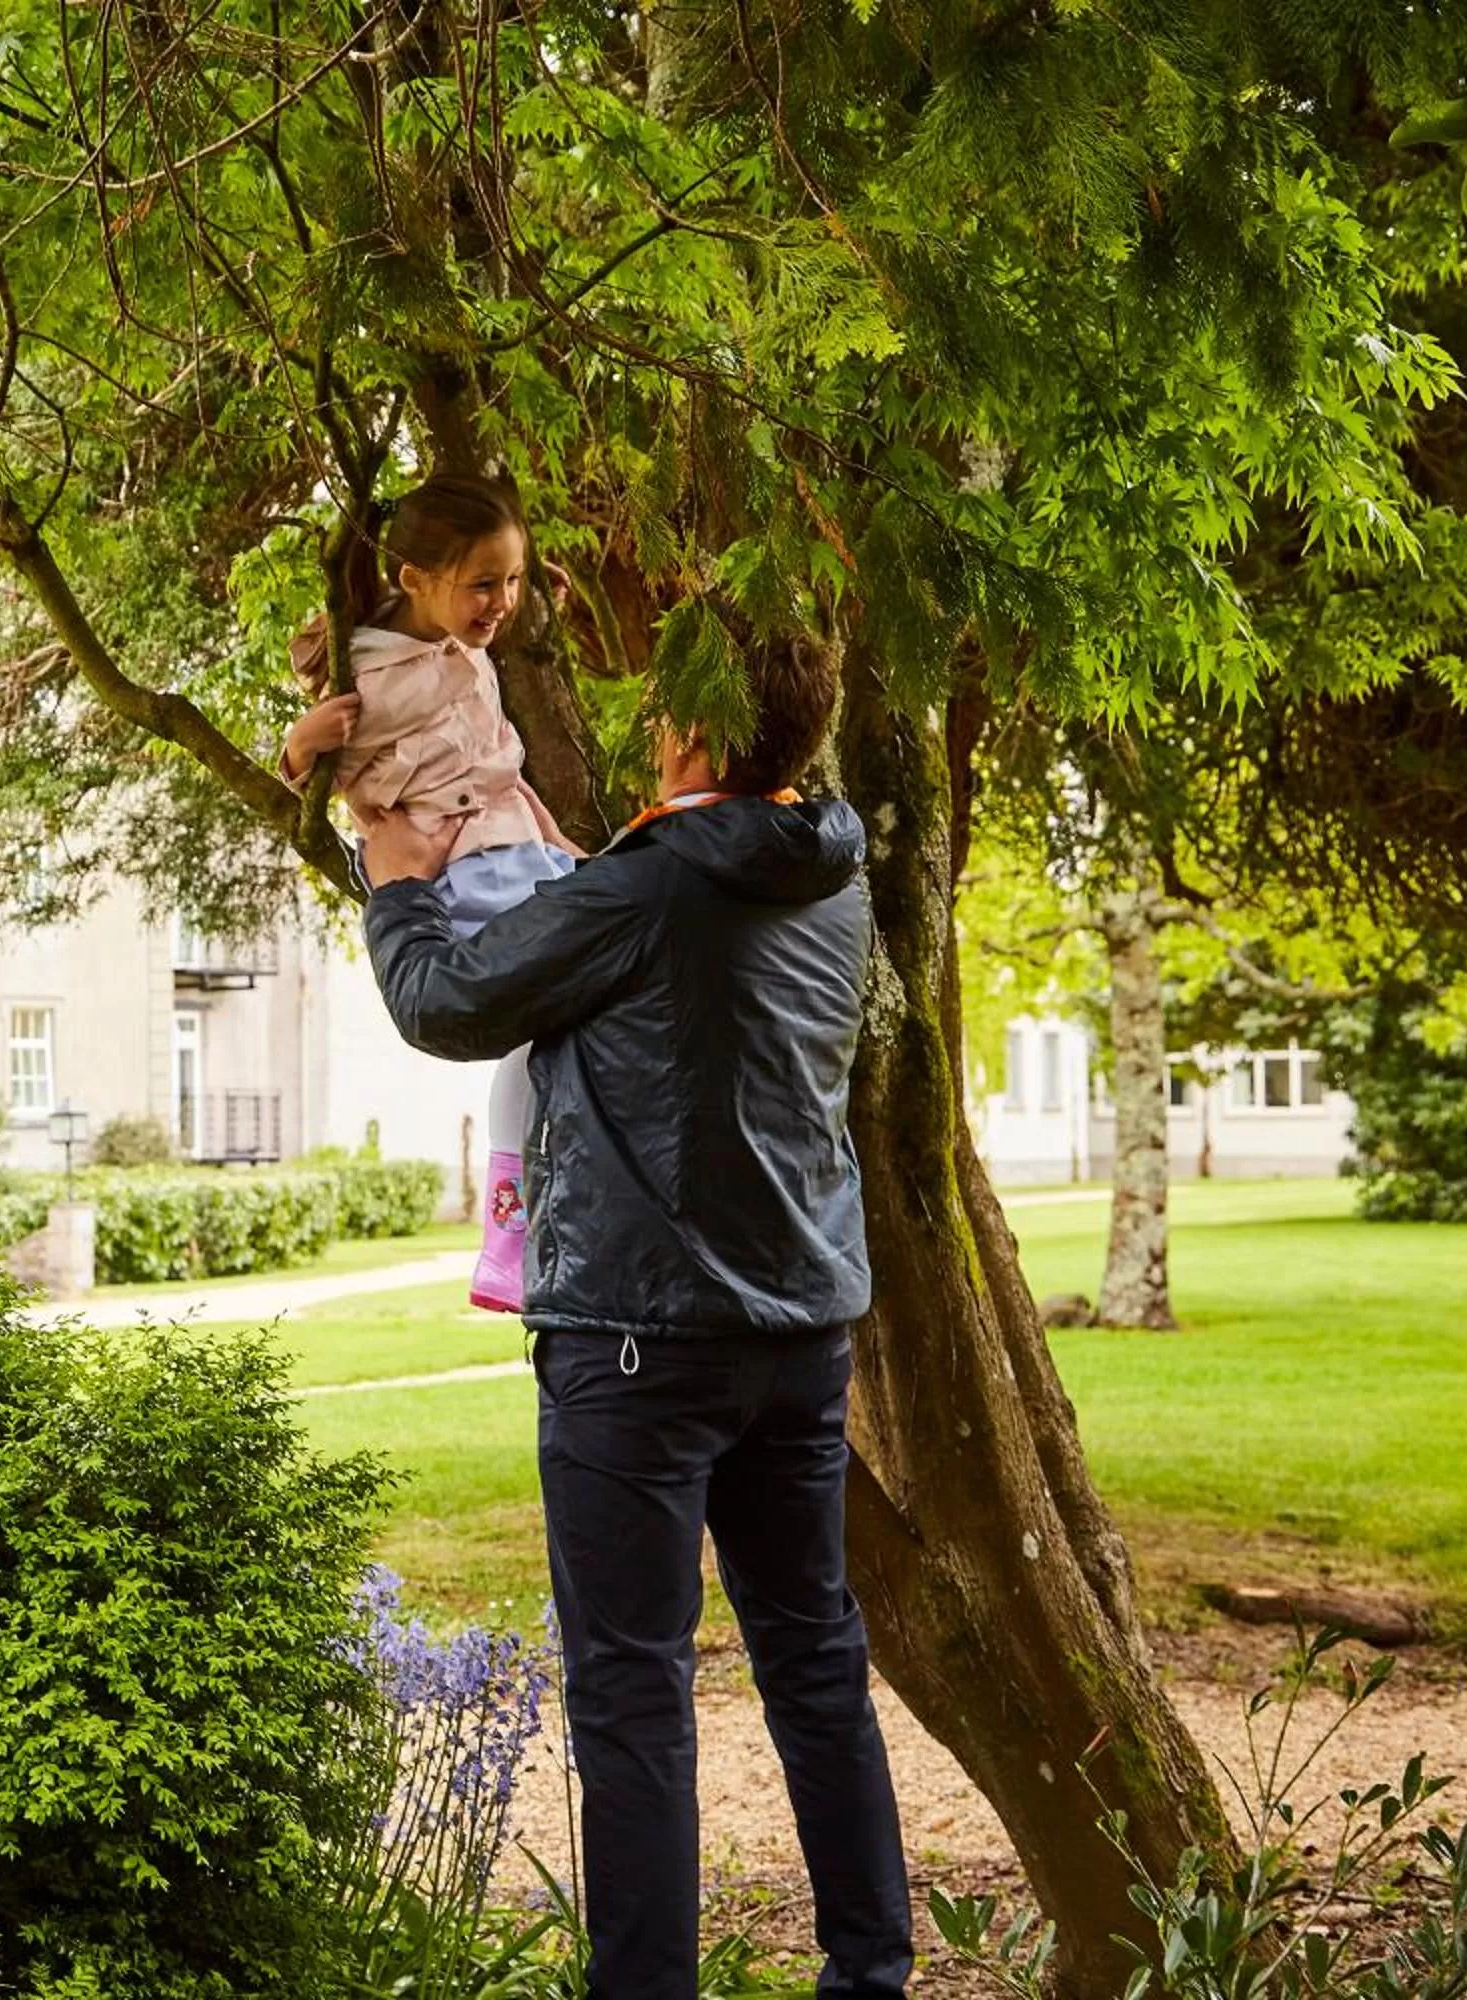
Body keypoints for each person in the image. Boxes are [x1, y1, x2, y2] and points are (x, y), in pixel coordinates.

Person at [357, 639, 911, 2000]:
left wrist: (392, 885)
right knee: (816, 1666)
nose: (647, 706)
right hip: (798, 1337)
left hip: (637, 1348)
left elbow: (446, 1003)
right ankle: (872, 1977)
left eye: (668, 693)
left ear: (700, 725)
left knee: (632, 1697)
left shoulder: (652, 885)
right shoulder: (830, 873)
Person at [278, 472, 586, 1311]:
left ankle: (535, 1216)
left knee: (574, 1029)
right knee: (551, 1023)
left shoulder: (462, 642)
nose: (503, 601)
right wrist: (304, 742)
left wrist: (527, 593)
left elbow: (484, 649)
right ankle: (509, 1229)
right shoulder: (372, 684)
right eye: (484, 583)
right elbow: (311, 776)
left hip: (522, 846)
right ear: (414, 579)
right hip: (474, 866)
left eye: (513, 580)